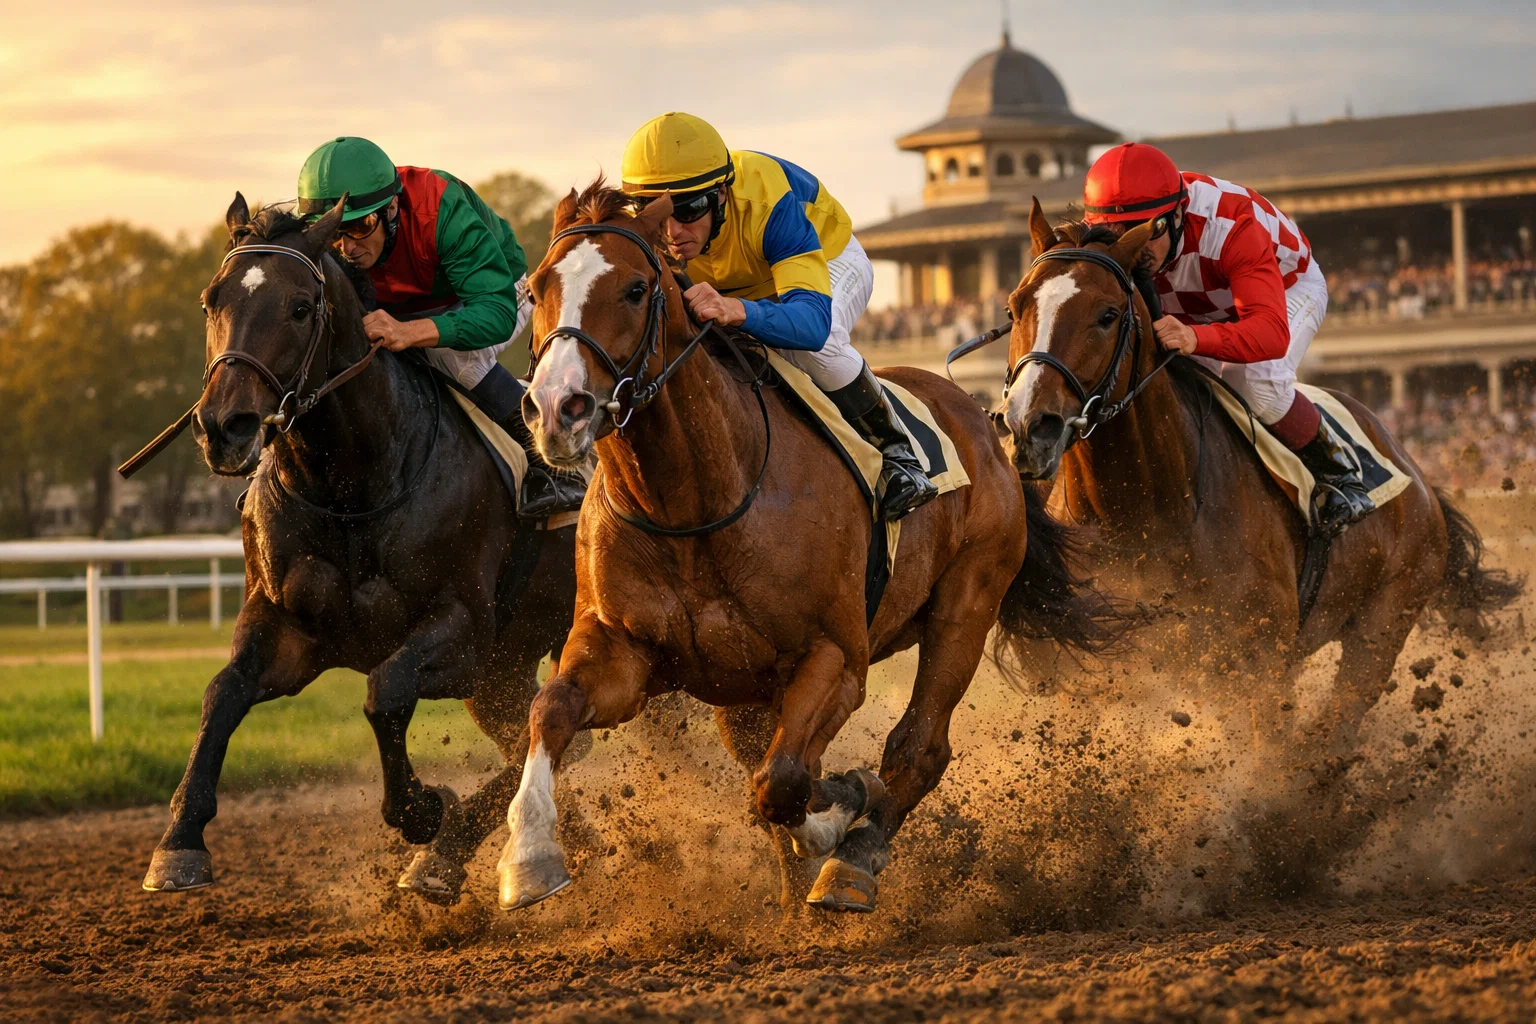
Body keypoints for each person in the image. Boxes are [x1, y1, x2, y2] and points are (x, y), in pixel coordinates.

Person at [620, 113, 937, 521]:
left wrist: (739, 310)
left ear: (720, 194)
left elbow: (810, 323)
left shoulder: (769, 203)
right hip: (739, 288)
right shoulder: (655, 236)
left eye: (688, 209)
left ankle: (899, 458)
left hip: (827, 262)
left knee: (818, 349)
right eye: (653, 213)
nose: (672, 231)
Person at [1082, 141, 1374, 536]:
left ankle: (1340, 474)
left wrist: (1195, 337)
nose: (1135, 250)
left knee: (1253, 382)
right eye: (1120, 234)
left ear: (1179, 212)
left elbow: (1270, 335)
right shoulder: (1113, 240)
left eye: (1147, 232)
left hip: (1283, 291)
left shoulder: (1232, 224)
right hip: (1190, 306)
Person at [296, 136, 585, 518]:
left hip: (495, 293)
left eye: (362, 226)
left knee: (451, 356)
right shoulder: (343, 247)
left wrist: (409, 332)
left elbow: (495, 315)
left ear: (392, 207)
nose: (347, 247)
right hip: (406, 305)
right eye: (334, 232)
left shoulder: (441, 208)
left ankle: (552, 465)